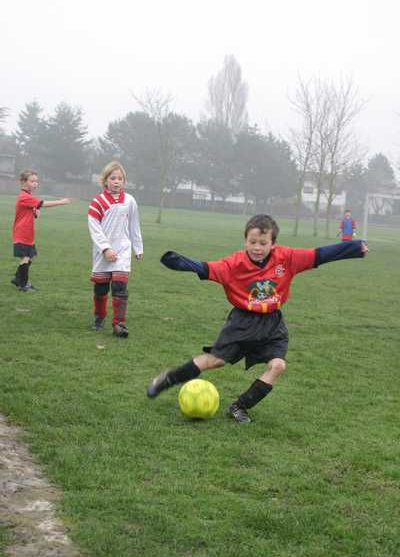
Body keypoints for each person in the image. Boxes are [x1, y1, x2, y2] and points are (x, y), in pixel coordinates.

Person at [146, 214, 369, 423]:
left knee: (278, 365)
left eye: (263, 243)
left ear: (273, 243)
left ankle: (239, 406)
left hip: (273, 323)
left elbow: (320, 254)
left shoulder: (287, 258)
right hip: (242, 322)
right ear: (245, 240)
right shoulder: (233, 264)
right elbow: (205, 268)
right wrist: (178, 261)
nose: (257, 248)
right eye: (252, 242)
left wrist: (355, 248)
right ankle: (168, 379)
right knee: (215, 361)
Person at [88, 160, 143, 338]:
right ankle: (99, 317)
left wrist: (138, 247)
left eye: (120, 178)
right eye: (113, 178)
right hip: (102, 253)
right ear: (105, 180)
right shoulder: (97, 202)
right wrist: (105, 249)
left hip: (122, 250)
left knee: (120, 287)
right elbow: (94, 229)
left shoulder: (130, 200)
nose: (117, 181)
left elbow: (134, 225)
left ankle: (119, 324)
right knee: (101, 288)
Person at [11, 169, 71, 292]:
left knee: (30, 256)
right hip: (22, 233)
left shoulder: (28, 196)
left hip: (27, 233)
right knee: (25, 258)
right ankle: (23, 284)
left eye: (36, 181)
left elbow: (33, 211)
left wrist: (34, 212)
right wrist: (61, 202)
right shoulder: (24, 196)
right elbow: (43, 204)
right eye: (32, 181)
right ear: (23, 182)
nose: (35, 184)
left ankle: (18, 278)